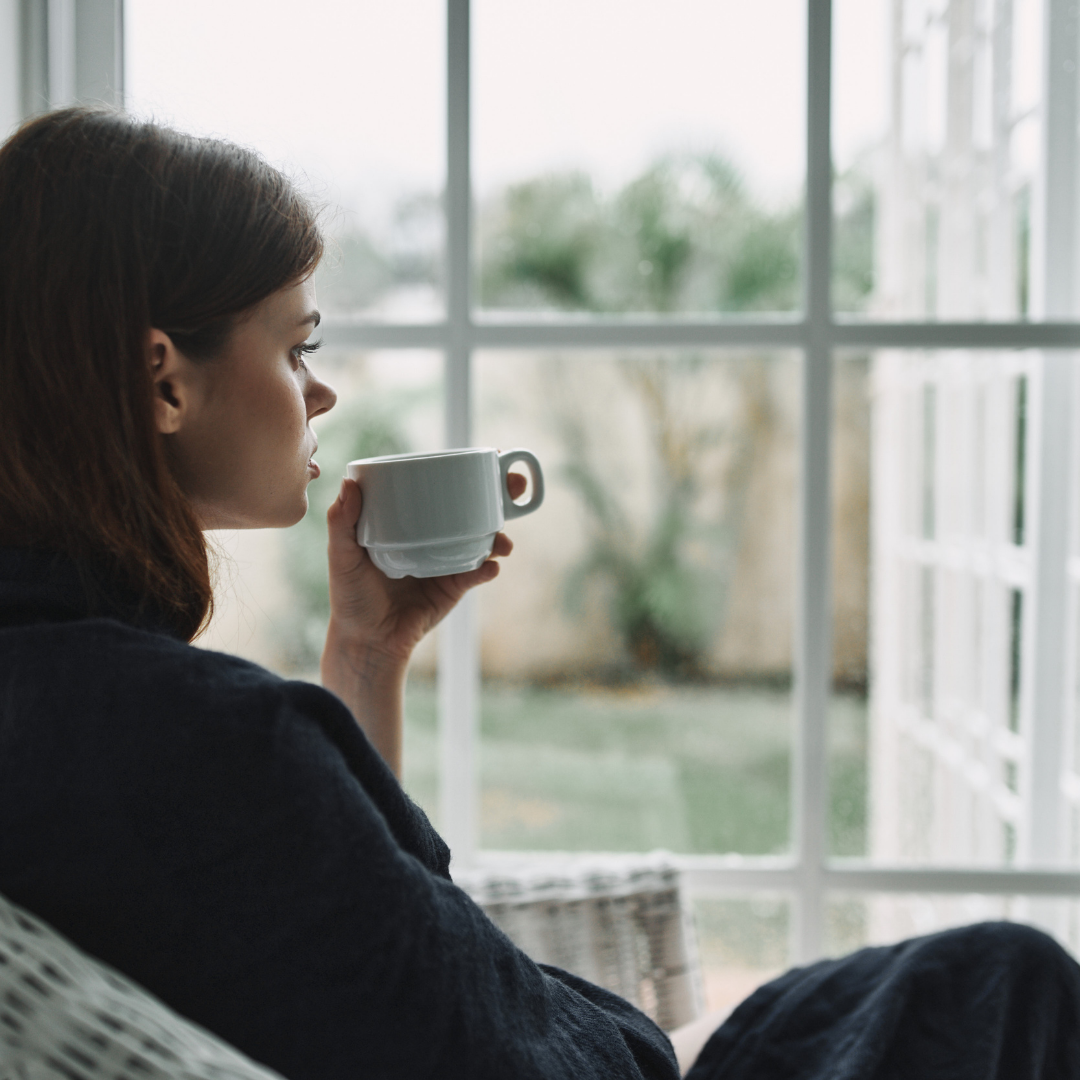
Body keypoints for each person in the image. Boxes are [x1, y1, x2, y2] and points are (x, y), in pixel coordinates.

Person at [0, 106, 1077, 1080]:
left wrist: (367, 657)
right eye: (295, 346)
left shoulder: (66, 704)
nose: (320, 389)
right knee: (1007, 978)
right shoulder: (212, 749)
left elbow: (369, 947)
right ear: (164, 380)